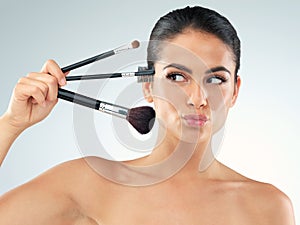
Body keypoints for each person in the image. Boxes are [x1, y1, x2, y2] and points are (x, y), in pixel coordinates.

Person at [0, 6, 295, 224]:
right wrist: (11, 124)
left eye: (216, 79)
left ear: (235, 91)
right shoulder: (87, 184)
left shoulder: (268, 207)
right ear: (147, 86)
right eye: (178, 77)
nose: (198, 98)